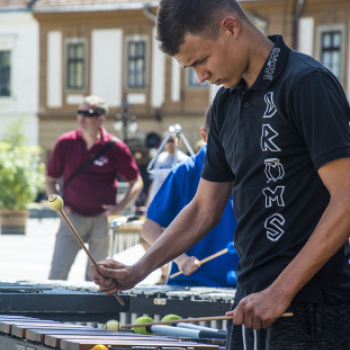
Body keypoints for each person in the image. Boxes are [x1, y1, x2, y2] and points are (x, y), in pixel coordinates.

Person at [91, 1, 350, 349]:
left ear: (230, 27)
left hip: (311, 307)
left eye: (200, 60)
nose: (201, 76)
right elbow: (203, 209)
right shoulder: (225, 105)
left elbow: (346, 199)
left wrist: (280, 291)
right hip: (249, 303)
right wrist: (140, 269)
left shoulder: (307, 83)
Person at [46, 95, 143, 281]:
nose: (81, 117)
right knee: (57, 273)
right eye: (79, 112)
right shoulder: (65, 142)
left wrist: (120, 208)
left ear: (100, 118)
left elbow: (136, 182)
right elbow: (50, 179)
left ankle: (92, 311)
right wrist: (56, 206)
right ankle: (54, 310)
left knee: (98, 278)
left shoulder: (115, 147)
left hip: (102, 219)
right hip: (71, 216)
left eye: (88, 113)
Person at [143, 105, 239, 287]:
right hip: (190, 284)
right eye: (221, 136)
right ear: (204, 136)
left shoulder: (252, 171)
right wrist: (179, 259)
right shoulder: (185, 171)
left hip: (243, 290)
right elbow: (149, 227)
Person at [146, 132, 188, 208]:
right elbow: (154, 182)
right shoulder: (160, 158)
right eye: (167, 141)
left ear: (179, 141)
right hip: (159, 200)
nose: (170, 143)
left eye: (172, 140)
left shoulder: (184, 160)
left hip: (176, 201)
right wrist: (148, 204)